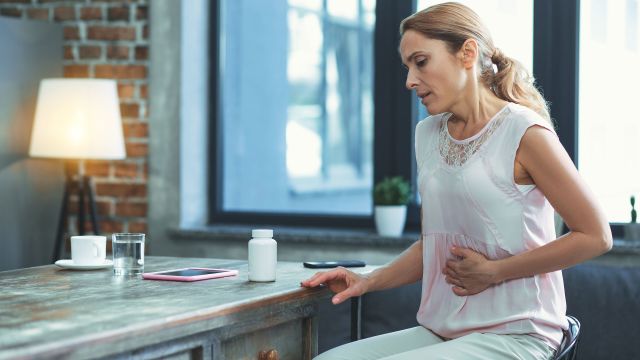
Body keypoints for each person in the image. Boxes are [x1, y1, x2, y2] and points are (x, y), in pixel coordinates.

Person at [301, 2, 612, 359]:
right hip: (444, 332)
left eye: (421, 62)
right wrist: (369, 281)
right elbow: (434, 244)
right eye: (407, 67)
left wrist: (495, 272)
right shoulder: (428, 134)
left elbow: (596, 236)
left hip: (519, 332)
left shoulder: (525, 132)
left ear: (467, 53)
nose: (409, 80)